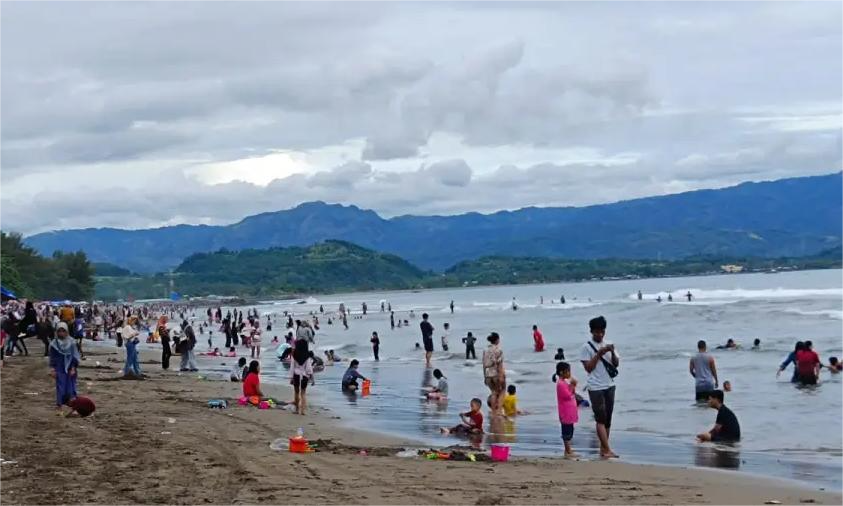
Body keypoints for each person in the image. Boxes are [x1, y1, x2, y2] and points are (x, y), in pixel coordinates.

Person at [579, 316, 619, 458]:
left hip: (609, 384)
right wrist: (598, 354)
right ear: (591, 331)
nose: (600, 334)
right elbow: (588, 368)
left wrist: (612, 352)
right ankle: (607, 449)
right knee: (600, 418)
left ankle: (604, 448)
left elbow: (616, 364)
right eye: (597, 331)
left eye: (602, 331)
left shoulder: (609, 343)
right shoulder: (586, 347)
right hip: (595, 387)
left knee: (608, 419)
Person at [49, 322, 81, 412]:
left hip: (70, 366)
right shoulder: (54, 344)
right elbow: (52, 357)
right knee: (60, 386)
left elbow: (75, 356)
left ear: (67, 331)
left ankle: (72, 404)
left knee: (71, 385)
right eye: (59, 331)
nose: (61, 333)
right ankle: (60, 404)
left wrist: (73, 367)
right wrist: (53, 369)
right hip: (59, 367)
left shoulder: (72, 342)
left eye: (63, 331)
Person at [554, 361, 579, 458]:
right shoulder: (560, 384)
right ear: (561, 372)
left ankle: (568, 449)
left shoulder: (564, 383)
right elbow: (567, 396)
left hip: (570, 411)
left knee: (570, 429)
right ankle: (568, 450)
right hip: (565, 411)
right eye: (568, 371)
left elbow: (572, 393)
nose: (569, 373)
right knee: (566, 431)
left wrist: (572, 386)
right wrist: (572, 386)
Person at [482, 332, 506, 417]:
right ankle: (499, 410)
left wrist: (484, 377)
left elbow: (484, 364)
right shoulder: (498, 350)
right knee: (502, 390)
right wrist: (501, 375)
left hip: (488, 373)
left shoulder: (485, 350)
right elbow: (500, 364)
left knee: (493, 392)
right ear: (497, 340)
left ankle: (493, 411)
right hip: (496, 372)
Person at [291, 339, 314, 415]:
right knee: (303, 393)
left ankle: (297, 409)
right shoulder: (307, 356)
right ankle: (303, 411)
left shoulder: (294, 355)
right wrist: (312, 377)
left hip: (296, 375)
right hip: (304, 376)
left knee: (296, 392)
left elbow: (292, 367)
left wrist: (291, 377)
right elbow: (309, 368)